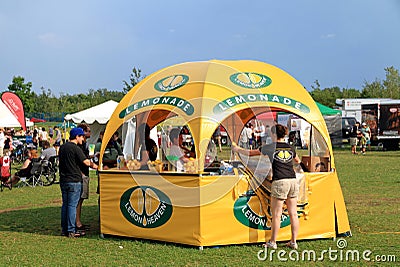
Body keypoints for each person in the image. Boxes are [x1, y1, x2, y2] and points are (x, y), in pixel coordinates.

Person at [232, 124, 301, 250]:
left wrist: (237, 149)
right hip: (292, 180)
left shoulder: (270, 147)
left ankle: (273, 242)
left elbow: (250, 153)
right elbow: (297, 160)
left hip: (280, 181)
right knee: (293, 214)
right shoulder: (290, 147)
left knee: (276, 214)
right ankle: (293, 241)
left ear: (273, 134)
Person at [59, 127, 97, 238]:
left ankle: (64, 229)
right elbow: (85, 162)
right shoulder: (76, 148)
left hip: (64, 180)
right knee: (72, 205)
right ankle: (71, 230)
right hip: (74, 180)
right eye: (82, 137)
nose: (83, 139)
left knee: (65, 205)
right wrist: (96, 166)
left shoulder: (62, 147)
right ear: (77, 136)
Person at [76, 123, 92, 233]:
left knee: (81, 200)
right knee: (78, 200)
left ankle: (78, 221)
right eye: (88, 131)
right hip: (81, 174)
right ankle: (77, 223)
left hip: (84, 173)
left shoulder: (84, 144)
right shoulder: (79, 146)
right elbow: (78, 160)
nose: (90, 133)